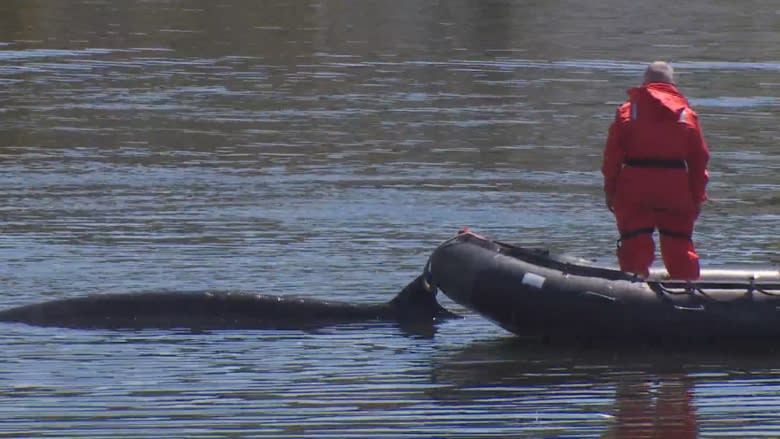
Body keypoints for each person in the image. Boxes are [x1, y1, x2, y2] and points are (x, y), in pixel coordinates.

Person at [601, 61, 710, 280]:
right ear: (673, 83)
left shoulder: (627, 111)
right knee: (679, 241)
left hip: (635, 184)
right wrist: (697, 197)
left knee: (635, 240)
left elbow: (612, 158)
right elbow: (699, 160)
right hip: (675, 186)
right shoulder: (686, 115)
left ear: (645, 82)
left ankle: (634, 287)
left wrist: (610, 190)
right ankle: (686, 288)